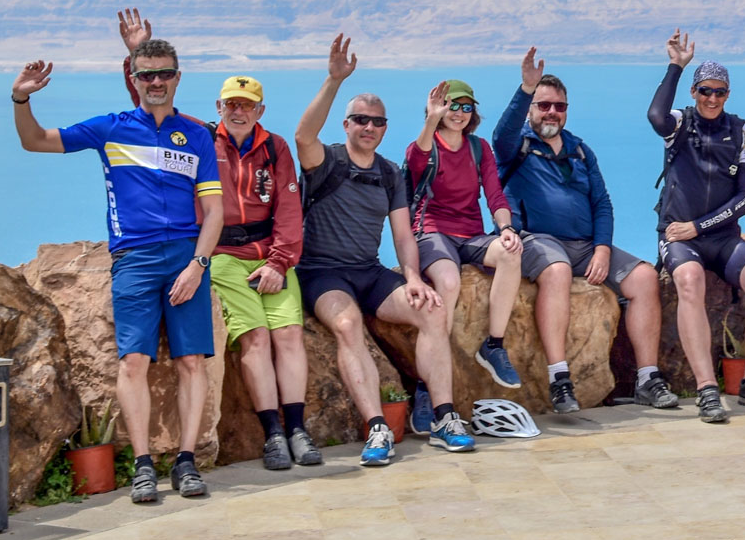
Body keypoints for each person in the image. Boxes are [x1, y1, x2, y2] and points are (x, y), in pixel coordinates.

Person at [15, 20, 222, 504]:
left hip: (187, 256)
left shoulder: (195, 136)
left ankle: (187, 462)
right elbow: (35, 141)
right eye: (146, 74)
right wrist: (21, 100)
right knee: (133, 361)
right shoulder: (111, 128)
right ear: (133, 77)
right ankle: (145, 465)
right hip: (134, 257)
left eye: (164, 74)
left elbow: (215, 212)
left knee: (192, 361)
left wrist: (198, 266)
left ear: (177, 77)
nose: (155, 82)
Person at [294, 34, 474, 464]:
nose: (369, 127)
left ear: (385, 127)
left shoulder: (390, 173)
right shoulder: (328, 162)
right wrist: (334, 80)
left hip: (369, 271)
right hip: (322, 273)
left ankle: (444, 416)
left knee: (432, 310)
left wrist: (413, 277)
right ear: (347, 125)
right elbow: (302, 136)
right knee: (347, 323)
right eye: (360, 120)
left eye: (376, 122)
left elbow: (403, 234)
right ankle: (378, 427)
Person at [495, 49, 666, 413]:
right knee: (556, 272)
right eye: (543, 106)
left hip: (586, 245)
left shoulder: (580, 151)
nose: (551, 113)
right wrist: (525, 88)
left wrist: (603, 249)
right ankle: (560, 379)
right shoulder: (517, 147)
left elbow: (602, 203)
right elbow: (502, 132)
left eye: (559, 106)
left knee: (646, 279)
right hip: (537, 241)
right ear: (531, 109)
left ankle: (648, 378)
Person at [647, 29, 745, 422]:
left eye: (719, 92)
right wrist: (676, 66)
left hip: (718, 235)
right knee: (690, 282)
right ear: (693, 92)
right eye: (705, 90)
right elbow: (655, 116)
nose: (711, 98)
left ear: (728, 95)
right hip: (677, 235)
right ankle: (707, 388)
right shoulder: (679, 123)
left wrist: (699, 225)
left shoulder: (743, 131)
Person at [208, 73, 326, 469]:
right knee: (255, 338)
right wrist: (134, 62)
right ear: (219, 107)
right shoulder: (203, 142)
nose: (238, 111)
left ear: (260, 111)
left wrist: (278, 262)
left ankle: (297, 429)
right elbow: (154, 113)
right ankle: (272, 434)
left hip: (270, 255)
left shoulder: (275, 148)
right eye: (231, 104)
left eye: (246, 105)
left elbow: (289, 211)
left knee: (289, 334)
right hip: (223, 255)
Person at [405, 79, 525, 389]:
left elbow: (495, 194)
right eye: (451, 106)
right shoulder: (426, 146)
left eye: (465, 107)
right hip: (432, 232)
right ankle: (426, 383)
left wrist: (506, 228)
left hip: (470, 234)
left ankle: (494, 346)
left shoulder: (478, 147)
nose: (458, 113)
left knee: (512, 253)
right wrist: (431, 120)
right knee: (448, 282)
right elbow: (416, 161)